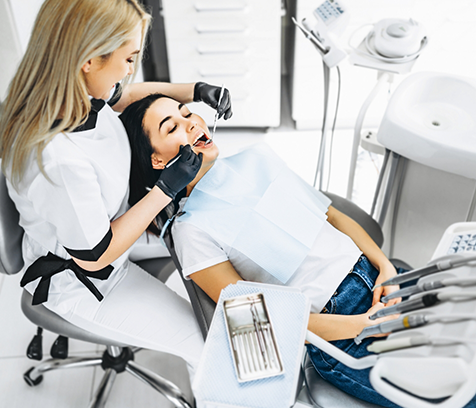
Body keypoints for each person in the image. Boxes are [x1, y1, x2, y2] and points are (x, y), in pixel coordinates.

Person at [120, 93, 476, 408]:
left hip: (380, 282)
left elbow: (332, 215)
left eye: (186, 113)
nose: (191, 123)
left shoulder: (255, 159)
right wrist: (361, 325)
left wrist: (385, 266)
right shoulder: (190, 230)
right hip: (340, 331)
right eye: (172, 128)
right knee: (459, 392)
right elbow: (258, 319)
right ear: (156, 162)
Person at [0, 0, 232, 374]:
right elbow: (95, 255)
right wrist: (165, 190)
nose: (129, 69)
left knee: (212, 242)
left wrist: (194, 91)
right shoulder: (59, 159)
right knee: (209, 344)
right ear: (89, 59)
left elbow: (122, 96)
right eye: (127, 59)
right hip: (90, 277)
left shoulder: (68, 88)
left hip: (114, 222)